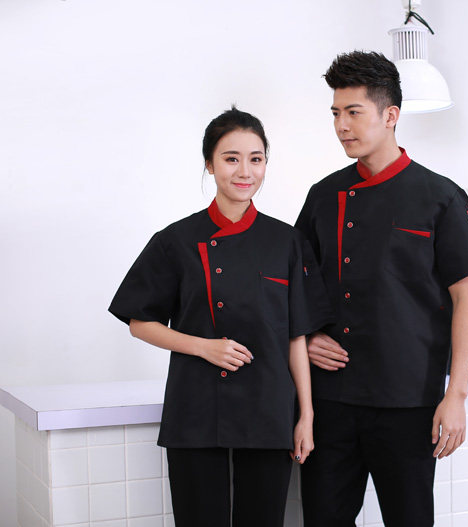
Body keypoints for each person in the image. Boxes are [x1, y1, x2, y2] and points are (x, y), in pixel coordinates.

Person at [295, 51, 468, 526]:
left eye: (353, 112)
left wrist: (456, 395)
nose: (341, 125)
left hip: (409, 401)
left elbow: (466, 299)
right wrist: (306, 338)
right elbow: (297, 287)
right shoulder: (323, 195)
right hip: (331, 400)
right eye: (335, 113)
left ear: (390, 116)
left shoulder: (439, 196)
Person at [109, 107, 333, 527]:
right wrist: (203, 347)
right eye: (231, 158)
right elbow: (139, 322)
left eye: (256, 158)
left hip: (268, 407)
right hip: (196, 405)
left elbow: (295, 337)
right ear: (210, 164)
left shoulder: (287, 241)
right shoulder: (175, 241)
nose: (245, 171)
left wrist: (306, 415)